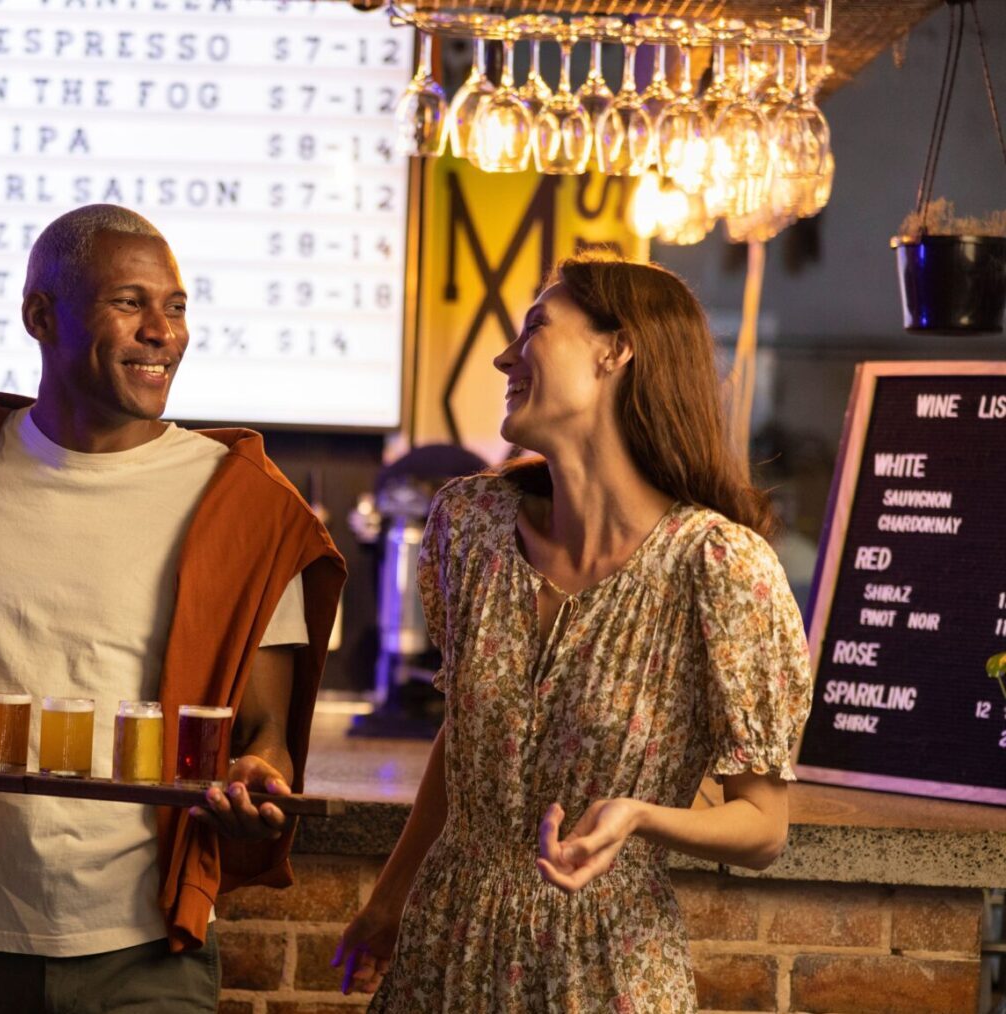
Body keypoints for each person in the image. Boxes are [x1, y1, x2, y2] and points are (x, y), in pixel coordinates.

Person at [0, 204, 346, 1013]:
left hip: (149, 940)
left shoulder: (244, 505)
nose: (163, 330)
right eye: (130, 302)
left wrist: (257, 781)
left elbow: (261, 733)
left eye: (177, 306)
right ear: (39, 316)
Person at [333, 257, 813, 1012]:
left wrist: (641, 817)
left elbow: (764, 827)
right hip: (447, 940)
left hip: (606, 965)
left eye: (534, 328)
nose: (503, 355)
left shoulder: (719, 566)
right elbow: (464, 739)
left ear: (615, 350)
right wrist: (391, 900)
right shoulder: (471, 526)